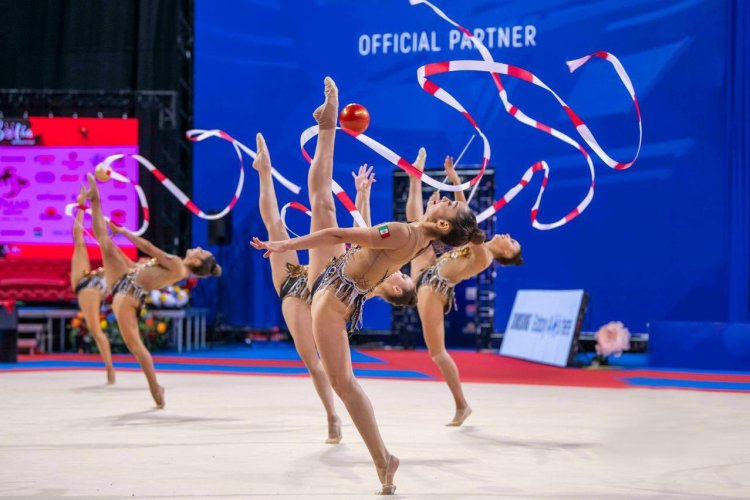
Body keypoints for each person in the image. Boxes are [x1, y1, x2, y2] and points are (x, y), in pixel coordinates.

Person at [251, 77, 484, 495]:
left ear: (444, 222)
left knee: (345, 385)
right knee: (320, 198)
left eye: (447, 200)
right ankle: (327, 122)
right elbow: (410, 217)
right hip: (333, 281)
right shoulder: (418, 235)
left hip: (332, 300)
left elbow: (336, 233)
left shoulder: (402, 234)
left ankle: (382, 457)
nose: (442, 195)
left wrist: (286, 244)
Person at [83, 173, 221, 408]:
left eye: (201, 252)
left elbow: (148, 247)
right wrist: (121, 252)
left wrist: (125, 233)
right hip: (126, 280)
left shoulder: (178, 265)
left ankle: (155, 387)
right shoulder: (177, 266)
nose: (197, 247)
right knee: (105, 243)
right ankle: (95, 200)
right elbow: (141, 266)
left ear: (197, 263)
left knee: (136, 347)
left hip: (128, 295)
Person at [408, 152, 523, 426]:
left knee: (437, 353)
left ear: (506, 254)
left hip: (433, 291)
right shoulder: (480, 247)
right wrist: (455, 179)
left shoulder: (484, 257)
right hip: (429, 272)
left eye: (512, 243)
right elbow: (464, 219)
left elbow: (467, 223)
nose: (508, 237)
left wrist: (455, 187)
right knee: (417, 227)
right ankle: (415, 177)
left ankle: (461, 405)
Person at [251, 132, 343, 443]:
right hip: (295, 288)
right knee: (275, 227)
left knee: (325, 223)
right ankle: (332, 415)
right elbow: (273, 221)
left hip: (318, 282)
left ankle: (266, 169)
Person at [69, 186, 115, 384]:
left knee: (96, 331)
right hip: (91, 285)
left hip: (88, 287)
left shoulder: (81, 259)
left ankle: (110, 370)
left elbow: (77, 234)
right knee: (96, 331)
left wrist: (81, 204)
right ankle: (110, 370)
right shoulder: (83, 264)